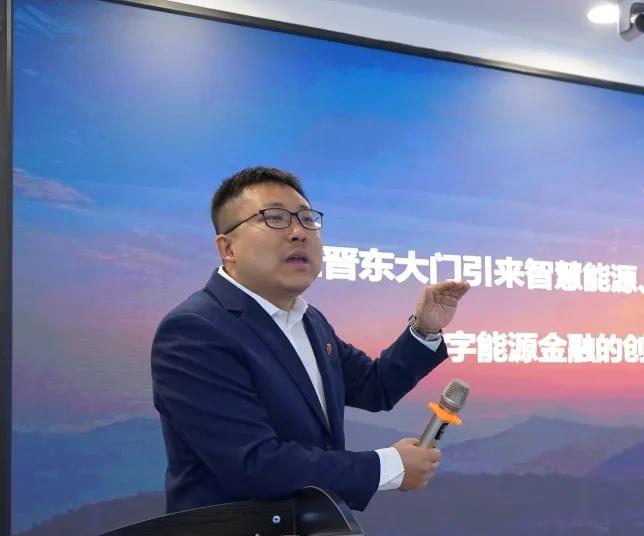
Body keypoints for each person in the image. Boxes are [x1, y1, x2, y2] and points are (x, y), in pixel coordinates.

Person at [151, 166, 469, 512]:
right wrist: (387, 467)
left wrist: (424, 329)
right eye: (274, 218)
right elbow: (254, 464)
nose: (298, 233)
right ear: (227, 248)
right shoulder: (195, 330)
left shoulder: (309, 319)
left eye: (307, 219)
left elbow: (374, 387)